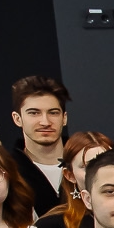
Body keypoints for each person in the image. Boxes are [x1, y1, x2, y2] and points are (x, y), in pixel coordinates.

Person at [8, 75, 71, 216]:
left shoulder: (88, 163)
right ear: (17, 119)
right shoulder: (7, 171)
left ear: (64, 118)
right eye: (34, 113)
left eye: (53, 113)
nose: (45, 122)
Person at [58, 131, 114, 228]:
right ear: (70, 175)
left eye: (109, 163)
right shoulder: (54, 227)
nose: (102, 172)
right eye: (89, 166)